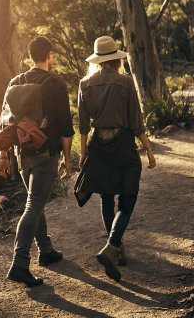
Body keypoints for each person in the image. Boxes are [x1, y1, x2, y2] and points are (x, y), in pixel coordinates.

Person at [77, 35, 156, 282]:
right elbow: (136, 122)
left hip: (98, 145)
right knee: (128, 197)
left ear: (97, 60)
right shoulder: (125, 82)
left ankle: (116, 249)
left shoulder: (85, 84)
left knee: (106, 197)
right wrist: (149, 150)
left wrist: (83, 155)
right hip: (123, 145)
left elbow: (82, 125)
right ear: (115, 59)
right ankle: (112, 247)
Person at [0, 36, 74, 287]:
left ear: (30, 56)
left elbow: (5, 123)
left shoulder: (15, 82)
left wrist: (3, 155)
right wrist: (66, 158)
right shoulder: (55, 84)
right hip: (45, 154)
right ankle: (19, 264)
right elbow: (65, 125)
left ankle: (47, 250)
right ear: (49, 55)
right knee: (33, 205)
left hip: (22, 156)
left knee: (35, 202)